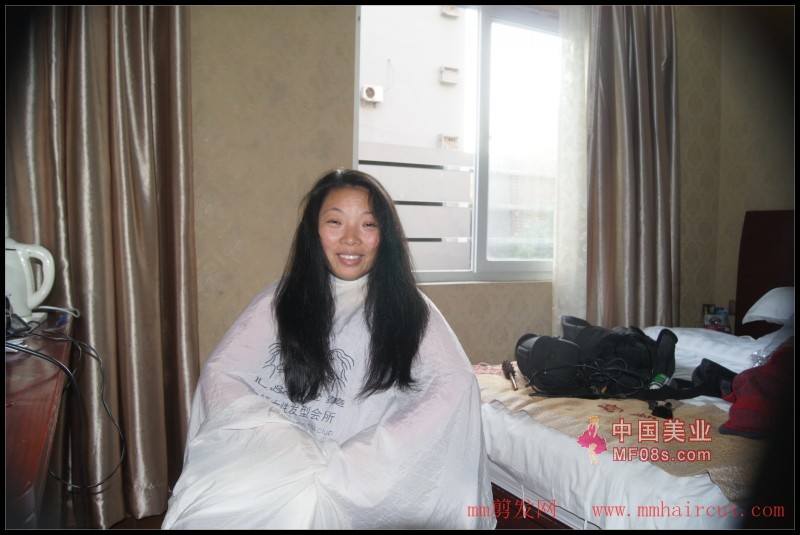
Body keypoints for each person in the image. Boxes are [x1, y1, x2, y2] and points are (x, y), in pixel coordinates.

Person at [161, 168, 496, 529]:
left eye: (368, 225)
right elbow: (223, 373)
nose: (351, 239)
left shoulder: (410, 308)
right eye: (335, 222)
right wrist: (278, 442)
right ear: (314, 230)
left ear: (384, 235)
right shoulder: (281, 298)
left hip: (355, 472)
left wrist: (364, 455)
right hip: (271, 455)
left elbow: (455, 385)